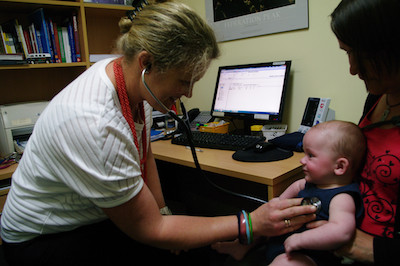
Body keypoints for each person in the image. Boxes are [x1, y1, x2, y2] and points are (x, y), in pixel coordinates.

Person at [0, 1, 317, 265]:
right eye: (184, 81)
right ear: (146, 62)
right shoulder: (96, 124)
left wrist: (163, 210)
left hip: (92, 218)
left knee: (191, 243)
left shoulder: (128, 79)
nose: (189, 94)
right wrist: (250, 223)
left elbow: (143, 149)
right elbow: (149, 229)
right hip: (42, 239)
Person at [213, 120, 366, 265]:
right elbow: (296, 187)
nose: (302, 161)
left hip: (306, 253)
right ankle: (241, 247)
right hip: (282, 238)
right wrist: (278, 203)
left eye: (310, 156)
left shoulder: (342, 198)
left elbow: (341, 231)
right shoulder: (312, 183)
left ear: (339, 166)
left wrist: (301, 239)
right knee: (261, 226)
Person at [326, 0, 400, 265]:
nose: (353, 69)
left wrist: (362, 247)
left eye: (360, 54)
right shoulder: (378, 98)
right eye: (347, 53)